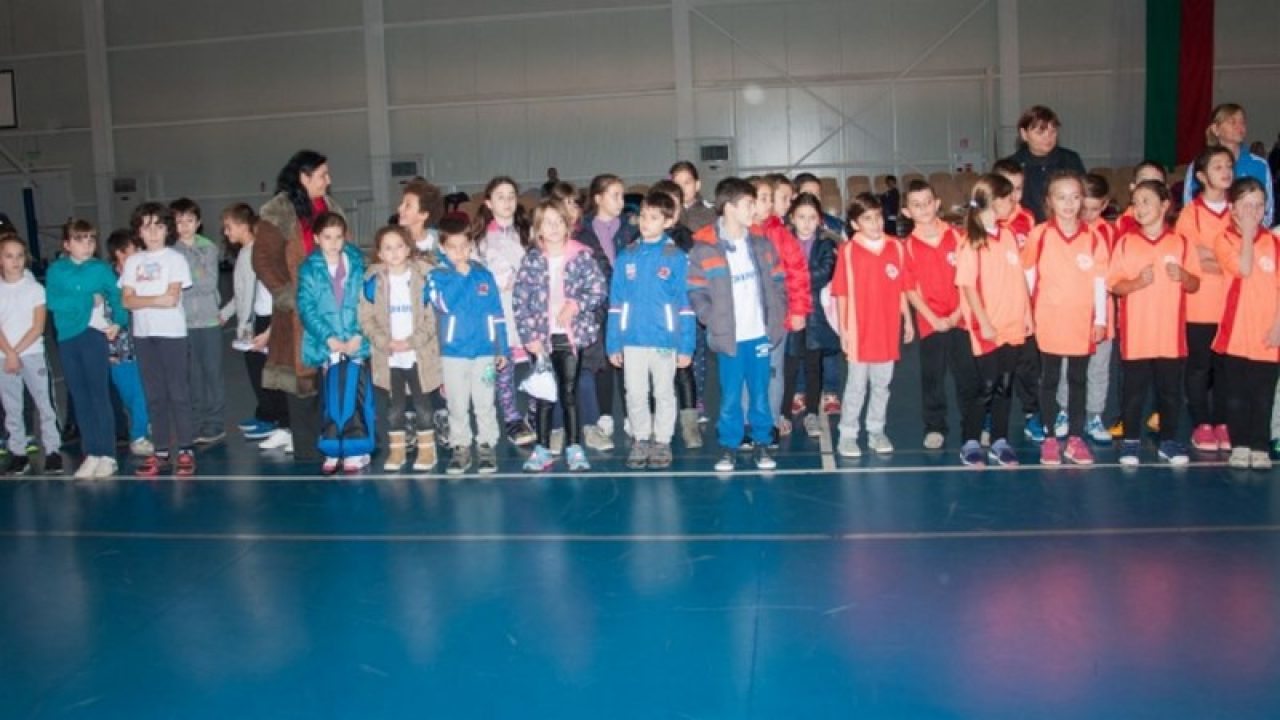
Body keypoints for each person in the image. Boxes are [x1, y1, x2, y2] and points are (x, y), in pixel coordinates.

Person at [688, 178, 788, 472]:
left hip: (759, 335)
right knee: (730, 396)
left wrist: (776, 315)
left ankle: (762, 442)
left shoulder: (761, 244)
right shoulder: (704, 249)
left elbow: (779, 281)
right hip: (730, 338)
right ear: (729, 207)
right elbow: (696, 290)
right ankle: (729, 446)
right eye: (749, 204)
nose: (754, 209)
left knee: (760, 394)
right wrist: (711, 318)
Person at [253, 150, 343, 462]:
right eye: (322, 175)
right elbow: (262, 260)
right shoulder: (278, 212)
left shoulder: (331, 209)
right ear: (304, 178)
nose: (328, 180)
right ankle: (308, 451)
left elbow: (346, 251)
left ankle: (335, 444)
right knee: (302, 382)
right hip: (297, 315)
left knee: (332, 378)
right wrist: (288, 296)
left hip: (333, 308)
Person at [1107, 180, 1200, 466]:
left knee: (1170, 392)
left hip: (1170, 335)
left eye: (1146, 200)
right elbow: (1114, 285)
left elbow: (1195, 284)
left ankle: (1168, 441)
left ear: (1165, 205)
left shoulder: (1181, 243)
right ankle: (1131, 441)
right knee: (1133, 392)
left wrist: (1183, 276)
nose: (1139, 207)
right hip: (1136, 334)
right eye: (1135, 202)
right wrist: (1137, 282)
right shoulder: (1126, 243)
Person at [513, 199, 608, 472]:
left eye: (559, 222)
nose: (553, 228)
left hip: (570, 339)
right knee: (543, 396)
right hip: (541, 340)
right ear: (538, 229)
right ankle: (542, 449)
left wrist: (575, 305)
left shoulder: (582, 256)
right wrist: (529, 337)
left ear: (568, 226)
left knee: (569, 393)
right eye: (547, 223)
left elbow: (598, 290)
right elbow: (520, 301)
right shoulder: (531, 261)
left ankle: (574, 447)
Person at [1022, 172, 1108, 465]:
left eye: (1075, 197)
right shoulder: (1040, 235)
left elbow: (1100, 282)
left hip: (1081, 321)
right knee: (1049, 379)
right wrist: (1027, 313)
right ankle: (1049, 438)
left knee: (1077, 380)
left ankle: (1075, 438)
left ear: (1082, 200)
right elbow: (1028, 274)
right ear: (1049, 201)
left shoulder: (1093, 238)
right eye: (1061, 197)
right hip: (1048, 319)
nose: (1069, 204)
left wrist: (1101, 320)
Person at [606, 191, 695, 470]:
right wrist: (613, 343)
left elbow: (685, 306)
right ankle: (641, 438)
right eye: (643, 216)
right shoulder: (626, 256)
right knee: (634, 393)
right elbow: (616, 304)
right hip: (632, 340)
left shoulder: (676, 257)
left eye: (654, 217)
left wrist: (686, 346)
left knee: (664, 392)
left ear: (668, 222)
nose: (645, 222)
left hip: (664, 340)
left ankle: (663, 440)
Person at [955, 174, 1031, 467]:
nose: (1014, 203)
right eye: (1010, 198)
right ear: (995, 201)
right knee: (986, 386)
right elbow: (968, 285)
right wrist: (984, 321)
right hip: (987, 326)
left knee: (1005, 385)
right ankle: (970, 441)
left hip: (1012, 323)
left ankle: (1000, 440)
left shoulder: (1008, 235)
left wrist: (1026, 315)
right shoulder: (971, 241)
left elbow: (1019, 278)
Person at [831, 193, 914, 458]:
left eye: (878, 217)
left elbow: (902, 288)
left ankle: (876, 430)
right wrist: (844, 329)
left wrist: (908, 319)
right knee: (856, 385)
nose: (875, 223)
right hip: (859, 330)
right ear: (856, 224)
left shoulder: (896, 247)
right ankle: (848, 433)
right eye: (867, 219)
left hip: (887, 329)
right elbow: (841, 293)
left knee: (882, 385)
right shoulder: (848, 251)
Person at [46, 220, 128, 478]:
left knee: (99, 395)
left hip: (93, 335)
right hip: (67, 338)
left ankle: (108, 454)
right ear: (67, 244)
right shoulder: (56, 270)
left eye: (91, 240)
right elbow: (53, 301)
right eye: (80, 240)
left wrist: (118, 321)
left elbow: (117, 296)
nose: (87, 245)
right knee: (79, 396)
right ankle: (91, 452)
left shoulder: (100, 269)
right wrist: (87, 299)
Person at [901, 180, 978, 451]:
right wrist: (933, 319)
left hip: (961, 318)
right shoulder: (907, 247)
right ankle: (935, 426)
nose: (923, 208)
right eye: (916, 205)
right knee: (932, 378)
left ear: (937, 204)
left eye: (927, 202)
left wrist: (958, 313)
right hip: (930, 322)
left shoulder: (958, 237)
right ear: (907, 211)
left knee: (968, 377)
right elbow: (909, 289)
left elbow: (969, 279)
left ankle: (973, 427)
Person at [428, 216, 509, 475]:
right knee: (457, 404)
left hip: (484, 352)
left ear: (471, 245)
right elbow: (443, 304)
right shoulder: (437, 277)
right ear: (442, 248)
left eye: (464, 246)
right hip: (453, 354)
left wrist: (502, 348)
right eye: (452, 247)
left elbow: (497, 314)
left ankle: (486, 445)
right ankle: (460, 446)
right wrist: (459, 277)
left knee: (485, 402)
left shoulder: (484, 275)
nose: (459, 252)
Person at [121, 203, 196, 477]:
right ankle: (161, 451)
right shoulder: (132, 262)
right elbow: (126, 301)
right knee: (154, 395)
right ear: (138, 231)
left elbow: (172, 299)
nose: (153, 232)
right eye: (146, 226)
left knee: (178, 393)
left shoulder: (175, 260)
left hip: (172, 334)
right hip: (144, 335)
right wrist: (155, 299)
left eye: (159, 226)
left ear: (168, 230)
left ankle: (186, 449)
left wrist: (142, 299)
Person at [359, 225, 442, 472]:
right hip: (389, 356)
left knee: (422, 405)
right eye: (388, 248)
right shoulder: (372, 283)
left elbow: (433, 318)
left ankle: (427, 450)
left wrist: (412, 342)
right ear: (379, 253)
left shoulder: (424, 279)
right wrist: (385, 341)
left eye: (399, 246)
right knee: (394, 408)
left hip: (418, 354)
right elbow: (366, 318)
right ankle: (397, 450)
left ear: (408, 249)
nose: (394, 252)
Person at [1213, 178, 1280, 469]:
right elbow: (1243, 268)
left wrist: (1278, 326)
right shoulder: (1225, 239)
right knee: (1236, 396)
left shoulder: (1275, 243)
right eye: (1247, 205)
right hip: (1237, 332)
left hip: (1268, 333)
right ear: (1233, 208)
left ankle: (1259, 445)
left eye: (1259, 205)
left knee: (1263, 395)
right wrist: (1249, 236)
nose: (1253, 211)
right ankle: (1240, 444)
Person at [297, 212, 369, 474]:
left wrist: (358, 335)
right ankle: (331, 446)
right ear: (317, 238)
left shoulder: (357, 263)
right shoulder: (308, 269)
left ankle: (357, 448)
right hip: (327, 346)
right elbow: (306, 308)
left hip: (355, 343)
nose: (334, 243)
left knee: (354, 398)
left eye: (339, 237)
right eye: (327, 237)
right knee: (330, 399)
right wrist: (329, 338)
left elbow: (367, 302)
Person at [1176, 145, 1235, 453]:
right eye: (1218, 167)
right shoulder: (1191, 214)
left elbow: (1243, 257)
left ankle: (1222, 421)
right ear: (1201, 176)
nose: (1226, 172)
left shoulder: (1239, 210)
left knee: (1225, 367)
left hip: (1232, 305)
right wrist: (1225, 259)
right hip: (1200, 305)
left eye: (1228, 166)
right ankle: (1201, 423)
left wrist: (1215, 256)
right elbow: (1191, 257)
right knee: (1199, 366)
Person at [1054, 173, 1119, 444]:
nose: (1088, 215)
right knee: (1066, 368)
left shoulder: (1109, 234)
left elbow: (1112, 273)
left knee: (1098, 368)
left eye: (1094, 209)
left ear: (1104, 205)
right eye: (1085, 208)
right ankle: (1064, 411)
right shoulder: (1065, 231)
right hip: (1070, 315)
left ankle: (1094, 415)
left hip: (1102, 313)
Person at [472, 177, 536, 447]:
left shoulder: (530, 232)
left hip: (529, 310)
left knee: (537, 364)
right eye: (500, 196)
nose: (507, 201)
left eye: (511, 196)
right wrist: (494, 283)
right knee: (504, 365)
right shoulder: (479, 240)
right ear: (488, 203)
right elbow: (474, 278)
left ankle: (535, 413)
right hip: (500, 311)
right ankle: (511, 418)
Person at [574, 174, 634, 452]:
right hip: (597, 308)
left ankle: (632, 414)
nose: (621, 201)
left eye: (622, 195)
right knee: (601, 362)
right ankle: (605, 414)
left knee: (629, 361)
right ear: (598, 198)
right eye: (615, 195)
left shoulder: (632, 230)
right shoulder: (582, 232)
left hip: (627, 306)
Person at [749, 175, 811, 440]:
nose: (769, 204)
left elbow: (798, 273)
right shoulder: (737, 233)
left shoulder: (780, 234)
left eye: (768, 199)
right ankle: (748, 423)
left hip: (776, 316)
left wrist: (798, 310)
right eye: (763, 199)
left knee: (774, 371)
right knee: (747, 373)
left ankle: (772, 421)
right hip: (747, 318)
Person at [222, 204, 286, 443]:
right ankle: (265, 413)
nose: (226, 232)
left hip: (261, 319)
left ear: (243, 226)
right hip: (254, 318)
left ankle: (273, 418)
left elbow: (252, 292)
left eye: (229, 227)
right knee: (256, 371)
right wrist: (227, 313)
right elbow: (241, 292)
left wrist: (247, 322)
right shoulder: (245, 252)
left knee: (265, 373)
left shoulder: (255, 254)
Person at [0, 235, 62, 475]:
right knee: (12, 406)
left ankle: (53, 450)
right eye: (9, 256)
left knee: (44, 403)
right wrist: (9, 353)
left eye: (19, 256)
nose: (15, 261)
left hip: (33, 354)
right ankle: (18, 452)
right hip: (4, 357)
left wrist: (16, 352)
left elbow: (37, 327)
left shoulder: (35, 289)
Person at [992, 158, 1044, 442]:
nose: (1014, 195)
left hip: (1024, 307)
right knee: (996, 367)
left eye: (1019, 188)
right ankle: (990, 414)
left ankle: (1032, 413)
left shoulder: (1029, 219)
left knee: (1028, 365)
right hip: (996, 308)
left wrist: (1031, 305)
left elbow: (1033, 263)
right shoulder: (986, 222)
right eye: (1007, 188)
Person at [170, 197, 229, 446]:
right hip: (183, 324)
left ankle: (215, 424)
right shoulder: (171, 252)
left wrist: (186, 278)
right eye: (179, 221)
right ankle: (193, 423)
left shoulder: (209, 248)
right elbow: (174, 288)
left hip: (209, 322)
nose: (185, 226)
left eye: (189, 220)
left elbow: (207, 284)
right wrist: (189, 278)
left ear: (198, 222)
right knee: (191, 377)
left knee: (212, 374)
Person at [781, 192, 840, 438]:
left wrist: (793, 275)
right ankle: (784, 413)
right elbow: (778, 273)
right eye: (801, 217)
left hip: (815, 316)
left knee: (814, 366)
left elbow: (824, 274)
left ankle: (812, 413)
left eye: (812, 217)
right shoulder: (783, 241)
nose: (806, 223)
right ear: (792, 218)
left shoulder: (827, 244)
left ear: (819, 219)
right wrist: (795, 276)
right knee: (790, 366)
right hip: (790, 313)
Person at [1181, 104, 1274, 225]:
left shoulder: (1259, 164)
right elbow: (1189, 204)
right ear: (1216, 129)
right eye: (1232, 122)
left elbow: (1268, 210)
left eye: (1242, 122)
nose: (1239, 126)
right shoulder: (1199, 164)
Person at [104, 229, 153, 457]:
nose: (140, 254)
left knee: (143, 391)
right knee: (131, 395)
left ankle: (140, 433)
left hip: (143, 345)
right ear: (120, 254)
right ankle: (139, 430)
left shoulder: (142, 278)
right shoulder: (107, 284)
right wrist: (108, 350)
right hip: (118, 350)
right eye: (135, 251)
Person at [1001, 105, 1086, 223]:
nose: (1048, 137)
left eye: (1053, 131)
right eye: (1040, 132)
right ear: (1024, 134)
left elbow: (1084, 197)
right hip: (1023, 227)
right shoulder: (1011, 165)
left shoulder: (1070, 159)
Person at [397, 178, 444, 257]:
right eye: (401, 203)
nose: (399, 208)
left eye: (408, 206)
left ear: (423, 214)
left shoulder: (441, 240)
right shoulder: (394, 240)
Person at [670, 161, 716, 233]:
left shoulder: (711, 212)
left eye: (687, 183)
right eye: (677, 184)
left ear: (697, 185)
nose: (682, 188)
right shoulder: (666, 211)